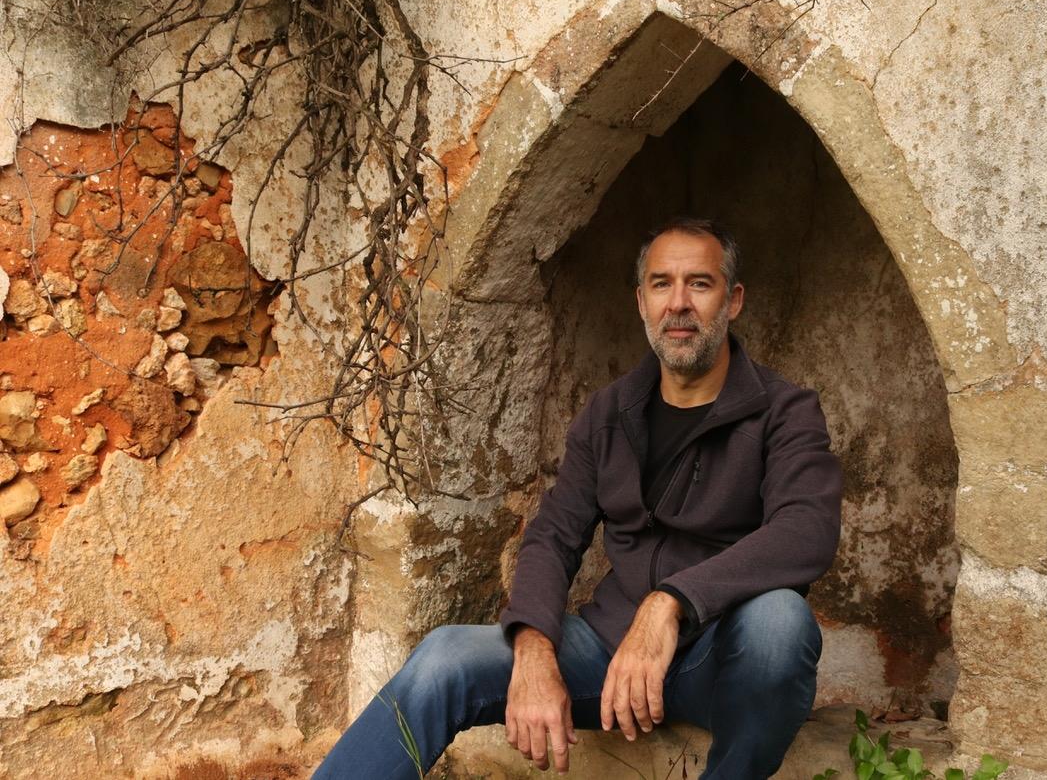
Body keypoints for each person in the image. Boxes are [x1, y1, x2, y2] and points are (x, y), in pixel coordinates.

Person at [314, 218, 843, 779]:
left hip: (719, 661)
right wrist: (534, 647)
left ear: (732, 300)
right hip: (608, 652)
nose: (678, 304)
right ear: (641, 302)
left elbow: (805, 531)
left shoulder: (785, 411)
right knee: (445, 655)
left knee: (780, 621)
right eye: (661, 284)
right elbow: (553, 536)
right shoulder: (608, 413)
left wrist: (670, 603)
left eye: (700, 284)